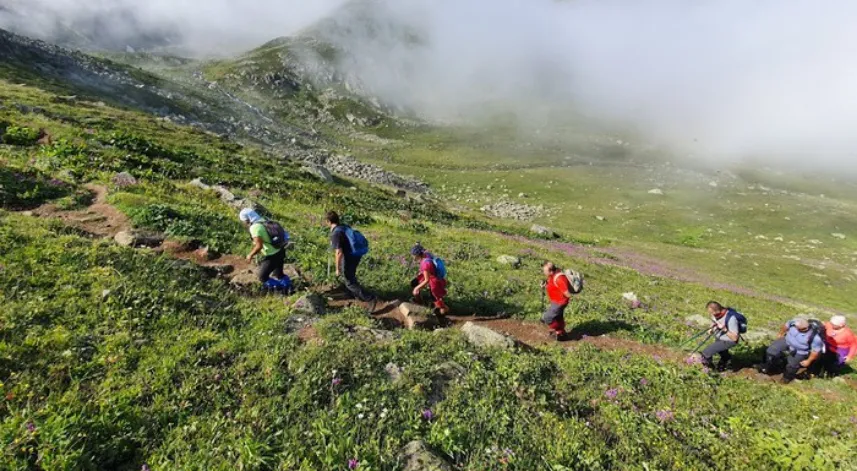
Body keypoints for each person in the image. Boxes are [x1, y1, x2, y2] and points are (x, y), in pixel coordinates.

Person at [327, 210, 376, 312]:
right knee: (350, 275)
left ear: (328, 221)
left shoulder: (336, 233)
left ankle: (370, 298)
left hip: (349, 256)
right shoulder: (344, 226)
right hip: (356, 254)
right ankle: (354, 294)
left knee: (349, 281)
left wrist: (337, 268)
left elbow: (339, 253)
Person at [759, 317, 825, 383]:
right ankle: (768, 366)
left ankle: (786, 378)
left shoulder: (815, 338)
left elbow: (815, 352)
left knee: (792, 365)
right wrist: (781, 333)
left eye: (798, 329)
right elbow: (786, 326)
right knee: (771, 351)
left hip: (800, 350)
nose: (795, 328)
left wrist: (808, 361)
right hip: (787, 341)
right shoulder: (793, 323)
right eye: (795, 327)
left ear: (805, 328)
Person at [239, 208, 289, 291]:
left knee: (262, 277)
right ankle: (288, 288)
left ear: (247, 219)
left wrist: (250, 255)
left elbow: (259, 246)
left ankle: (279, 291)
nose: (244, 223)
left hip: (272, 256)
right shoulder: (265, 219)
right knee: (279, 274)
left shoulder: (254, 227)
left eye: (243, 221)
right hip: (280, 250)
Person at [409, 243, 450, 316]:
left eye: (413, 255)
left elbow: (426, 280)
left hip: (435, 282)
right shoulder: (426, 254)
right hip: (430, 275)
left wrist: (417, 288)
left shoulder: (425, 264)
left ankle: (444, 311)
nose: (412, 257)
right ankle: (420, 302)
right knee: (414, 283)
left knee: (435, 298)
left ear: (418, 255)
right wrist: (417, 245)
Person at [700, 301, 740, 371]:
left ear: (717, 310)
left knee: (706, 353)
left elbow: (735, 338)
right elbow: (714, 322)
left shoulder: (731, 319)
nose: (711, 314)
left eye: (711, 312)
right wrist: (712, 328)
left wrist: (724, 329)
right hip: (719, 337)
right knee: (723, 354)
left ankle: (710, 371)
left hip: (728, 340)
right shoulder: (716, 315)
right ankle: (724, 366)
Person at [542, 261, 572, 341]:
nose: (543, 272)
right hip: (555, 301)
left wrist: (563, 297)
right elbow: (553, 285)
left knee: (547, 317)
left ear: (551, 271)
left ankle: (555, 330)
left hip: (559, 302)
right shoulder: (553, 275)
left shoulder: (559, 278)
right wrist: (546, 285)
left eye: (545, 271)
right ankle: (561, 333)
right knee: (558, 317)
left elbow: (567, 293)